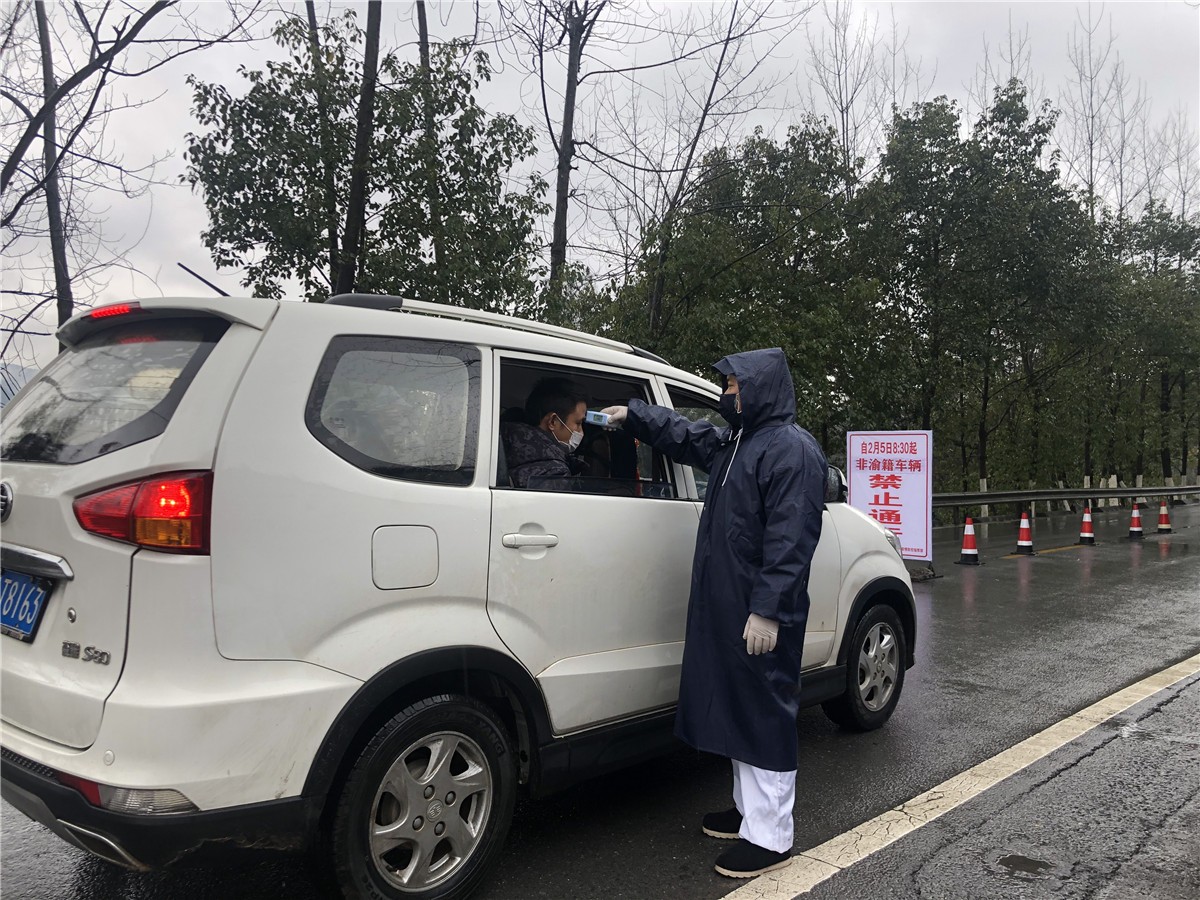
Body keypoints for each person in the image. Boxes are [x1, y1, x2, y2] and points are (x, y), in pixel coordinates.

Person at [601, 348, 826, 879]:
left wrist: (767, 610)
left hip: (759, 609)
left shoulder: (790, 449)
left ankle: (771, 837)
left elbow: (791, 540)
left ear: (760, 387)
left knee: (763, 711)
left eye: (734, 386)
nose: (727, 394)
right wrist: (634, 415)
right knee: (736, 705)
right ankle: (749, 813)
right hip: (729, 603)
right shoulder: (738, 442)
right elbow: (686, 435)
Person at [501, 377, 588, 488]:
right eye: (578, 423)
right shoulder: (555, 474)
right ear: (553, 422)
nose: (581, 431)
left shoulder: (504, 445)